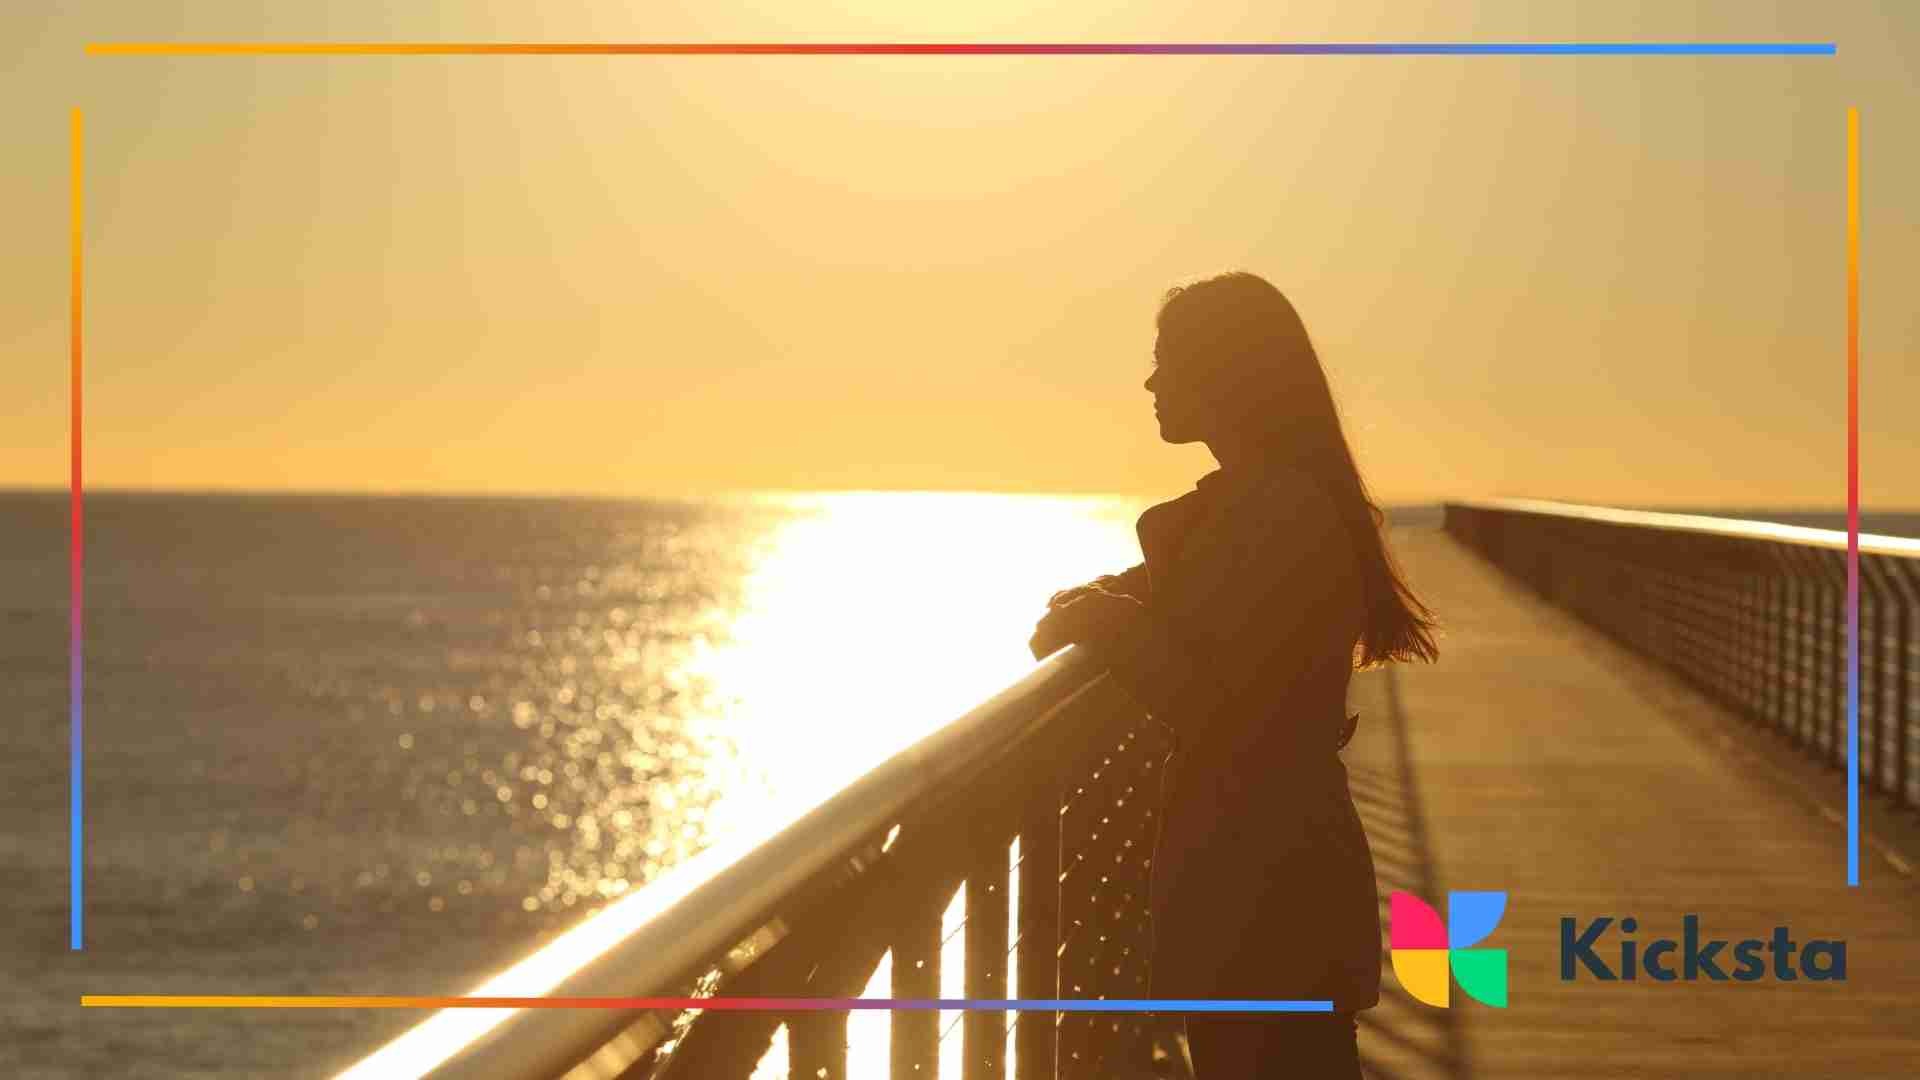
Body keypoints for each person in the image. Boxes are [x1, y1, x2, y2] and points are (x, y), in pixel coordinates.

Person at [1029, 271, 1438, 1077]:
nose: (1150, 381)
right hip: (1269, 888)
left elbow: (1225, 707)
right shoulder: (1265, 504)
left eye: (1167, 359)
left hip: (1268, 897)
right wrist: (1118, 602)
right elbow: (1214, 623)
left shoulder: (1276, 513)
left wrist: (1111, 623)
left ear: (1226, 372)